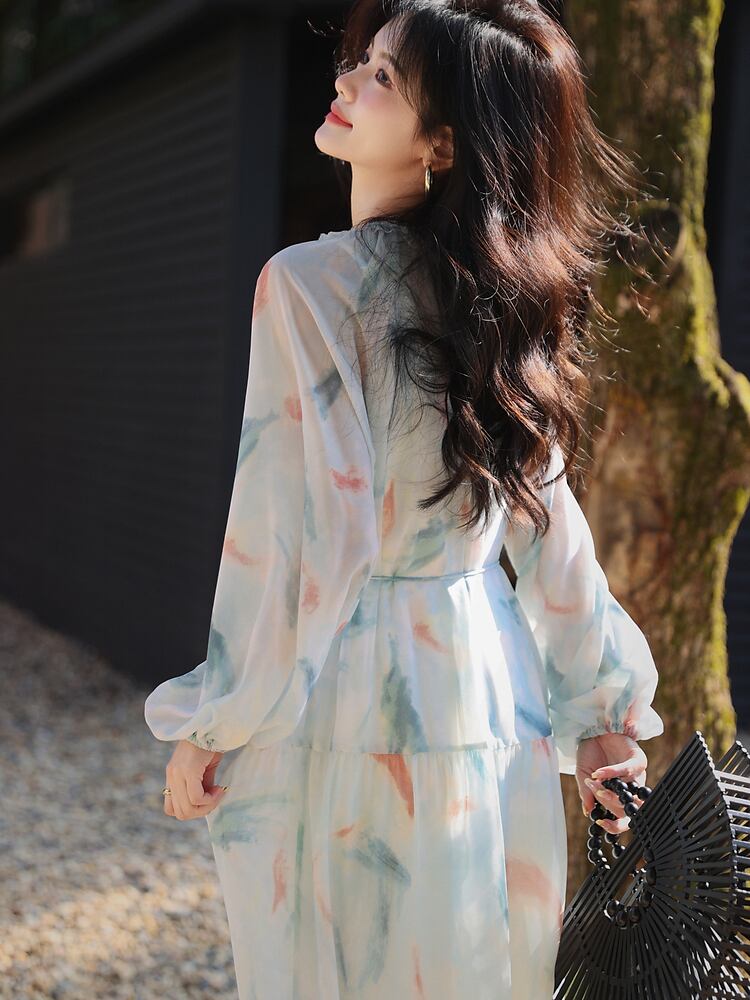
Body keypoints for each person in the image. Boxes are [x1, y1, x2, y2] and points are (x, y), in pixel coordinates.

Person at [144, 1, 665, 997]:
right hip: (488, 687)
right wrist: (604, 713)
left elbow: (292, 537)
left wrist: (220, 719)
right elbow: (549, 523)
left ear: (443, 143)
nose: (345, 80)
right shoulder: (509, 294)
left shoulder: (307, 285)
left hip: (352, 683)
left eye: (381, 76)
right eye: (363, 62)